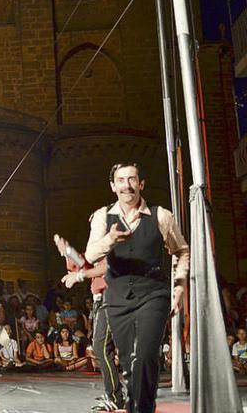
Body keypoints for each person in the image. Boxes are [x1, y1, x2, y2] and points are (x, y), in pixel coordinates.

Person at [85, 163, 190, 413]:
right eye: (120, 180)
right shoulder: (102, 216)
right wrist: (110, 239)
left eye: (132, 179)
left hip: (153, 292)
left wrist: (178, 289)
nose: (126, 185)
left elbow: (182, 251)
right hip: (118, 295)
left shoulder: (160, 215)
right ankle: (137, 405)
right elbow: (90, 253)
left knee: (144, 355)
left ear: (141, 184)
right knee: (130, 365)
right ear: (113, 186)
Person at [55, 233, 123, 410]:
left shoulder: (112, 247)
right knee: (102, 348)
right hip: (101, 300)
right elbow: (82, 263)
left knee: (102, 347)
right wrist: (67, 252)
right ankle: (113, 393)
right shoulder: (96, 250)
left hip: (111, 297)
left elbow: (102, 268)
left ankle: (115, 396)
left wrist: (79, 275)